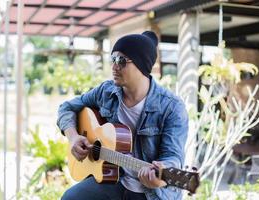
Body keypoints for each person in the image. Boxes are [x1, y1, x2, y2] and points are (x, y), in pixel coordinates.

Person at [57, 31, 189, 200]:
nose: (114, 67)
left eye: (121, 61)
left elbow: (173, 156)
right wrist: (74, 137)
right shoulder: (106, 91)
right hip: (114, 179)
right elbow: (66, 108)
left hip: (151, 193)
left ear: (142, 65)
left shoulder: (172, 107)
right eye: (113, 59)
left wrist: (160, 178)